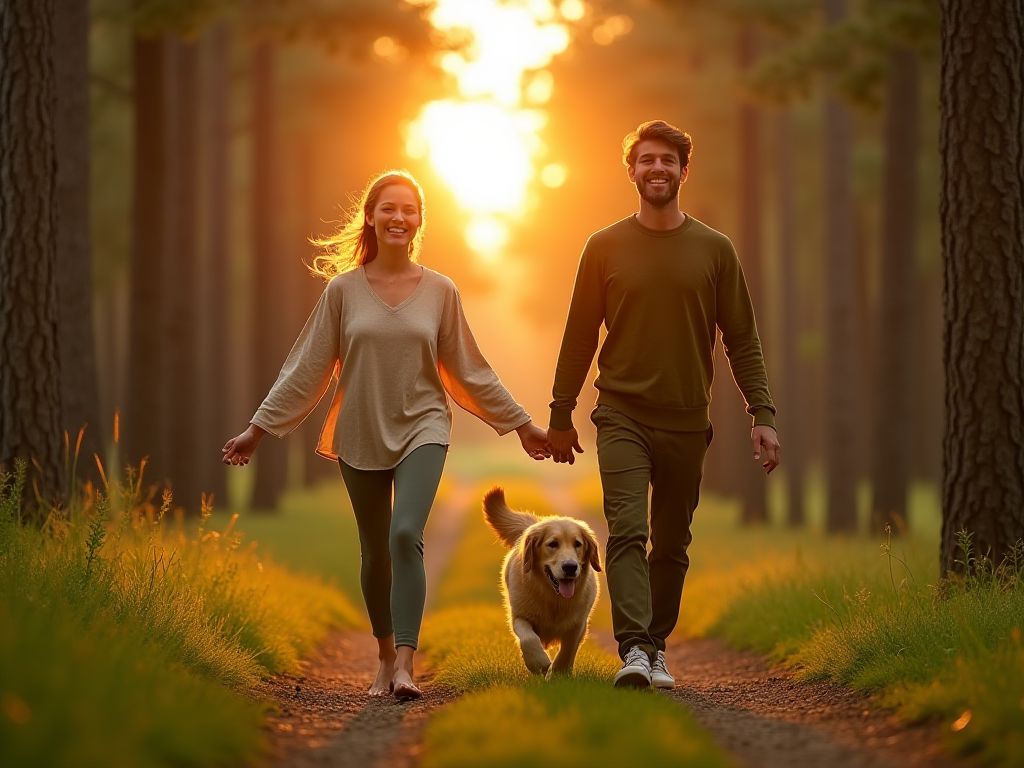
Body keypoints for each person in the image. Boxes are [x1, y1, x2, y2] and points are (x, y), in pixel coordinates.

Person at [222, 169, 550, 702]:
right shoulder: (343, 291)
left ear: (420, 221)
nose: (399, 218)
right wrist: (258, 430)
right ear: (371, 218)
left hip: (424, 423)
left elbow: (469, 368)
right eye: (388, 209)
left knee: (404, 535)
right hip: (360, 429)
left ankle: (404, 664)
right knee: (375, 550)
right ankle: (380, 658)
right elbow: (306, 367)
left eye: (409, 210)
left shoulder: (441, 290)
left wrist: (521, 423)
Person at [546, 120, 780, 690]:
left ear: (682, 171)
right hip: (621, 411)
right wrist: (560, 412)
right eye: (646, 160)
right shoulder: (603, 247)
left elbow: (742, 338)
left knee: (673, 542)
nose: (657, 169)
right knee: (627, 531)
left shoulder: (714, 249)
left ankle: (655, 647)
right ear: (631, 171)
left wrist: (763, 415)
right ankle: (633, 650)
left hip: (686, 420)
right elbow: (580, 334)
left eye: (667, 161)